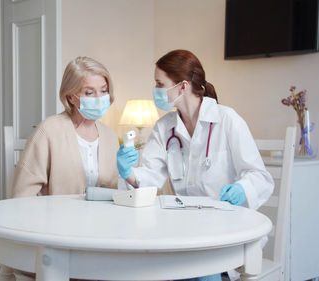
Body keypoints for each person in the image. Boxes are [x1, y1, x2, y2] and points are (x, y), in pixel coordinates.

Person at [117, 50, 274, 281]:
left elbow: (260, 177)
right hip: (184, 231)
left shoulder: (227, 119)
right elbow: (150, 177)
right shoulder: (164, 127)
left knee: (198, 272)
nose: (156, 90)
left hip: (225, 231)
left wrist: (242, 189)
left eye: (160, 84)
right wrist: (127, 171)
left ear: (182, 87)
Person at [0, 56, 120, 281]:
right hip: (53, 241)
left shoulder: (111, 138)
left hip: (97, 240)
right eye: (90, 92)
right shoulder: (49, 131)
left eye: (104, 90)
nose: (100, 98)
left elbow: (114, 196)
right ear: (71, 96)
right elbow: (21, 199)